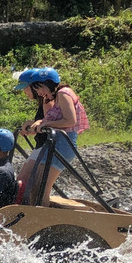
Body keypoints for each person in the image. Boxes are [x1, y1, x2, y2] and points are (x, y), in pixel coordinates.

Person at [13, 67, 90, 206]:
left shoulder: (63, 93)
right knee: (36, 186)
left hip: (64, 144)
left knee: (41, 188)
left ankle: (42, 217)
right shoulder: (57, 96)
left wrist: (46, 124)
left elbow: (70, 121)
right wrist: (40, 124)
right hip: (57, 142)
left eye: (39, 88)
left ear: (47, 84)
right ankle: (36, 213)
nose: (39, 93)